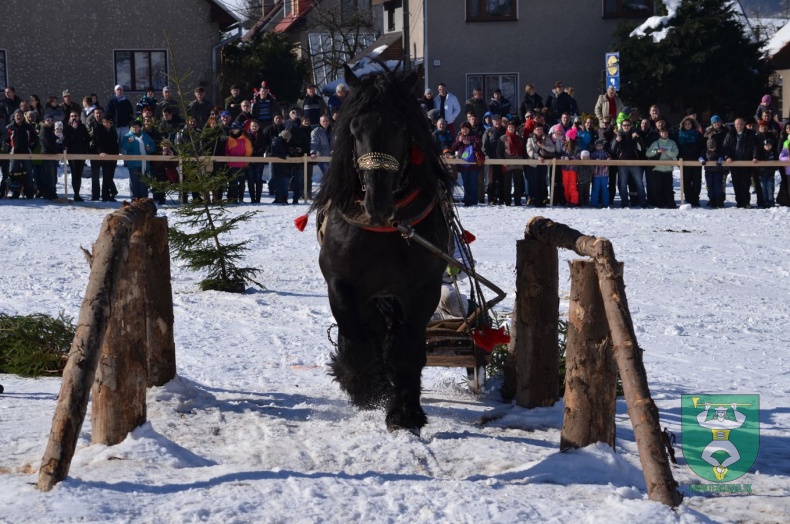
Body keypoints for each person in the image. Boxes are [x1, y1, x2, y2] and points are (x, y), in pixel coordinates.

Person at [610, 118, 646, 208]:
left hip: (635, 162)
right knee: (622, 183)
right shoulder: (618, 135)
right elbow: (612, 150)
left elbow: (642, 148)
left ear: (631, 126)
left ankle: (643, 202)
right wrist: (616, 141)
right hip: (622, 163)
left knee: (639, 183)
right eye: (624, 125)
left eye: (628, 125)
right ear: (621, 126)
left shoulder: (635, 135)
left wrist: (637, 138)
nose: (626, 127)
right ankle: (624, 202)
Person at [723, 118, 759, 208]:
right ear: (734, 125)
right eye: (737, 124)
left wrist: (755, 157)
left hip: (746, 162)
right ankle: (739, 202)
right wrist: (727, 157)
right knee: (736, 183)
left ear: (744, 124)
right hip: (734, 163)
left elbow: (755, 146)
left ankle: (746, 202)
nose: (739, 126)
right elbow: (725, 147)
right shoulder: (730, 134)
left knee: (745, 184)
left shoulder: (750, 134)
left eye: (741, 124)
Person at [121, 118, 155, 199]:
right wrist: (129, 142)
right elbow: (124, 147)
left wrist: (149, 148)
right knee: (134, 181)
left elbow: (152, 147)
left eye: (136, 127)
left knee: (144, 182)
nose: (134, 129)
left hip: (144, 163)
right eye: (133, 127)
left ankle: (144, 199)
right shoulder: (127, 136)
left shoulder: (145, 136)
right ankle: (134, 198)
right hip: (133, 163)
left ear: (140, 127)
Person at [89, 111, 119, 201]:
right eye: (105, 122)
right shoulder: (98, 129)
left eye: (109, 122)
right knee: (95, 177)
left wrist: (115, 155)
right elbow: (97, 142)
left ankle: (106, 195)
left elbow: (114, 143)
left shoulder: (113, 130)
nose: (107, 124)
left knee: (108, 176)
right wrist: (100, 152)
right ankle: (95, 195)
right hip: (98, 154)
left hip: (110, 156)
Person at [450, 122, 482, 206]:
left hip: (473, 165)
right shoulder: (459, 137)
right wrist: (459, 141)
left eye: (466, 129)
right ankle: (467, 200)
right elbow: (453, 148)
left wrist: (470, 143)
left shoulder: (475, 135)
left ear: (469, 129)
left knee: (473, 183)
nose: (464, 130)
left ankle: (474, 201)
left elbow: (479, 145)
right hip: (463, 165)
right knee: (466, 183)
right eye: (462, 129)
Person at [646, 127, 679, 208]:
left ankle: (670, 203)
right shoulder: (655, 143)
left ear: (668, 134)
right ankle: (659, 203)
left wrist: (666, 151)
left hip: (668, 169)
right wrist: (656, 151)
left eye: (666, 133)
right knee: (658, 188)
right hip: (658, 169)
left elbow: (675, 153)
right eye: (662, 133)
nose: (664, 134)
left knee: (668, 188)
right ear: (660, 134)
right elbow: (648, 153)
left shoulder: (672, 143)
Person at [677, 116, 705, 206]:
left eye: (689, 123)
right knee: (686, 182)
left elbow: (703, 147)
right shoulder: (678, 134)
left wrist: (701, 157)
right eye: (686, 124)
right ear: (683, 125)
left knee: (697, 182)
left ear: (692, 124)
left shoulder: (698, 134)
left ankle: (695, 199)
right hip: (684, 162)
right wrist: (678, 159)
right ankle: (688, 199)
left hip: (696, 161)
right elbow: (676, 148)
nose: (688, 125)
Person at [64, 111, 91, 201]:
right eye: (71, 116)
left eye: (75, 116)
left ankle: (77, 193)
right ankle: (75, 193)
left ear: (79, 117)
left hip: (81, 153)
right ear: (69, 118)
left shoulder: (82, 127)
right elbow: (68, 141)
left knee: (79, 174)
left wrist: (85, 150)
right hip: (72, 154)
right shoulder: (67, 129)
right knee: (74, 173)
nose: (73, 118)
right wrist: (73, 130)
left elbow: (87, 139)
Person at [496, 121, 523, 206]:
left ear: (515, 129)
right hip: (507, 164)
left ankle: (517, 201)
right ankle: (507, 201)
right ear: (507, 128)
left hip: (518, 163)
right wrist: (502, 161)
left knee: (518, 184)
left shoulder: (519, 138)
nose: (511, 129)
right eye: (509, 127)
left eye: (512, 127)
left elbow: (524, 150)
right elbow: (499, 151)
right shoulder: (502, 138)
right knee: (507, 184)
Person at [225, 121, 253, 203]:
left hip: (242, 164)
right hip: (231, 164)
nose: (234, 130)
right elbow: (226, 151)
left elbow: (248, 151)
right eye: (233, 129)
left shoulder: (245, 139)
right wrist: (227, 161)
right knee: (232, 182)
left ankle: (240, 198)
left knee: (241, 182)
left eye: (236, 128)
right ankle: (232, 198)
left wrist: (246, 162)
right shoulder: (229, 139)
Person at [482, 115, 503, 204]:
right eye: (495, 121)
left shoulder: (505, 131)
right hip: (492, 160)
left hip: (503, 161)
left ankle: (502, 198)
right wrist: (488, 157)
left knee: (502, 180)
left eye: (498, 120)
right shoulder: (488, 132)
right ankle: (491, 198)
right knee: (491, 181)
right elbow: (484, 146)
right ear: (492, 122)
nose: (497, 122)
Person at [246, 120, 266, 203]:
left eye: (256, 126)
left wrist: (257, 153)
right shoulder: (246, 135)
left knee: (258, 180)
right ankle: (252, 198)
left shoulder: (262, 135)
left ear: (259, 127)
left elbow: (263, 146)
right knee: (250, 180)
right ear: (250, 127)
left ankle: (258, 198)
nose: (254, 128)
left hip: (259, 160)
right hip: (249, 160)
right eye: (252, 126)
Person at [702, 137, 726, 208]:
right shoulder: (705, 151)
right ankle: (711, 199)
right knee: (709, 186)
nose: (712, 149)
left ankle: (718, 200)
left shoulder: (718, 150)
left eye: (713, 148)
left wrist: (719, 162)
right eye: (710, 148)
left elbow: (721, 157)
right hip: (708, 171)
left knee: (718, 186)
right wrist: (702, 161)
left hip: (717, 171)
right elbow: (701, 156)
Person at [270, 129, 291, 204]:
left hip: (284, 166)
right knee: (281, 183)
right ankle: (279, 198)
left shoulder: (280, 142)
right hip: (278, 166)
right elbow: (274, 153)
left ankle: (282, 198)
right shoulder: (276, 142)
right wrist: (284, 156)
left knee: (283, 183)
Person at [310, 114, 332, 185]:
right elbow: (314, 143)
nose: (325, 123)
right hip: (322, 157)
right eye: (323, 121)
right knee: (327, 174)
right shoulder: (316, 132)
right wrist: (313, 152)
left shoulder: (332, 130)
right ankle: (326, 190)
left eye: (327, 121)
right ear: (320, 122)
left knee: (332, 175)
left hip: (332, 157)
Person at [589, 139, 611, 208]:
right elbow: (590, 160)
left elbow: (610, 158)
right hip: (596, 174)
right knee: (595, 189)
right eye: (598, 146)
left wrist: (608, 160)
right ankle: (594, 203)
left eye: (600, 146)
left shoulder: (606, 153)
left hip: (604, 174)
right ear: (595, 146)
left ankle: (606, 203)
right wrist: (595, 161)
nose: (599, 147)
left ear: (602, 146)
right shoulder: (593, 154)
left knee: (605, 189)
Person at [755, 137, 777, 208]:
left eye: (768, 145)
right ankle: (765, 202)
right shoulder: (760, 153)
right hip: (762, 174)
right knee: (763, 189)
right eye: (765, 145)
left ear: (771, 145)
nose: (767, 146)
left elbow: (777, 163)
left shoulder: (774, 153)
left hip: (770, 174)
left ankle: (771, 202)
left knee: (770, 188)